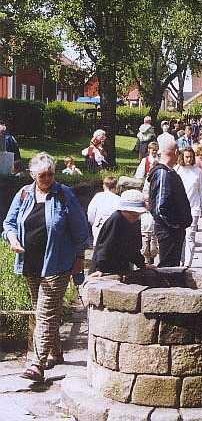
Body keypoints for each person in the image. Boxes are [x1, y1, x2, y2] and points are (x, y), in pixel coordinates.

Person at [2, 152, 89, 381]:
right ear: (32, 175)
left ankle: (36, 363)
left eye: (50, 174)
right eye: (42, 175)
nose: (47, 179)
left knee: (46, 312)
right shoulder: (23, 194)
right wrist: (12, 239)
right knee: (42, 310)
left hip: (58, 263)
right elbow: (9, 223)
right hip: (30, 263)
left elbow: (80, 230)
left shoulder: (64, 195)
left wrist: (79, 258)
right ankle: (56, 352)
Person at [90, 190, 156, 276]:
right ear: (123, 210)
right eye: (132, 214)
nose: (135, 217)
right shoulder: (116, 219)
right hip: (105, 267)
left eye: (137, 214)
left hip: (122, 266)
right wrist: (100, 269)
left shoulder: (135, 221)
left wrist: (142, 265)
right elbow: (105, 246)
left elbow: (134, 249)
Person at [147, 142, 192, 267]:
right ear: (176, 152)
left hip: (173, 230)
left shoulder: (168, 172)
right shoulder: (163, 173)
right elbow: (160, 207)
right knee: (167, 268)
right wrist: (174, 225)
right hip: (168, 231)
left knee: (173, 266)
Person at [176, 147, 202, 267]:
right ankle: (181, 260)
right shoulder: (178, 170)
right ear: (182, 157)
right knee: (180, 236)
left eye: (191, 157)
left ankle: (188, 264)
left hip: (194, 207)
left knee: (190, 236)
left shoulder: (198, 171)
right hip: (179, 208)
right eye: (186, 157)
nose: (189, 159)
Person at [87, 176, 120, 246]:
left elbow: (90, 214)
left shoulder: (97, 196)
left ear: (104, 186)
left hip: (98, 227)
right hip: (113, 231)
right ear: (116, 186)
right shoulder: (119, 199)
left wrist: (94, 223)